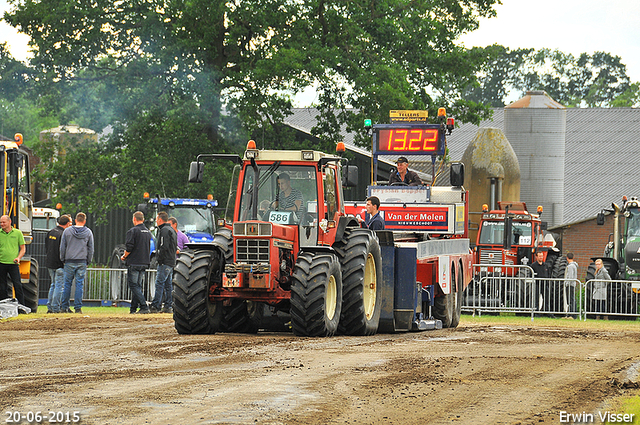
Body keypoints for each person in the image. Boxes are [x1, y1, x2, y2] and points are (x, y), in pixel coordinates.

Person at [60, 212, 94, 314]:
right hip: (82, 261)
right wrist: (88, 260)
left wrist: (63, 259)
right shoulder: (88, 232)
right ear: (84, 221)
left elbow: (62, 247)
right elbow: (91, 248)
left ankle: (64, 307)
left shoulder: (67, 231)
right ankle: (78, 308)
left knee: (67, 284)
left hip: (69, 261)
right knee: (79, 284)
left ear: (75, 220)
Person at [121, 211, 152, 314]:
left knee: (134, 286)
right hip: (144, 262)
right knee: (137, 286)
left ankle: (144, 306)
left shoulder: (133, 231)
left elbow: (129, 247)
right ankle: (133, 309)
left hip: (134, 262)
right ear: (142, 219)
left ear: (134, 219)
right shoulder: (148, 232)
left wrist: (124, 256)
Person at [150, 211, 177, 313]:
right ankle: (168, 305)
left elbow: (163, 246)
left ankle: (156, 305)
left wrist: (159, 259)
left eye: (157, 219)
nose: (156, 221)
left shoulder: (164, 230)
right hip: (171, 261)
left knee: (159, 283)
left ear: (160, 220)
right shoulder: (171, 230)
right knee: (168, 285)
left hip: (165, 261)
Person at [45, 215, 72, 313]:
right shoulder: (63, 234)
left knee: (53, 285)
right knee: (59, 286)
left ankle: (50, 307)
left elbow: (47, 247)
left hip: (50, 263)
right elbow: (63, 250)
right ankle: (56, 308)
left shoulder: (51, 232)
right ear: (67, 223)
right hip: (59, 264)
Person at [0, 215, 26, 307]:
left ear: (9, 222)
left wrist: (18, 258)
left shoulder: (17, 233)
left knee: (17, 285)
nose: (2, 224)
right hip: (1, 263)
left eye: (4, 222)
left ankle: (22, 306)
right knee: (2, 287)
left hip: (13, 264)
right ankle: (3, 307)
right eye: (1, 222)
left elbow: (23, 248)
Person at [530, 251, 552, 316]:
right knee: (536, 298)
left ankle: (546, 311)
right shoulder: (533, 266)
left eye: (542, 256)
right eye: (539, 256)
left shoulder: (546, 265)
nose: (541, 257)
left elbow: (549, 274)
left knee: (546, 298)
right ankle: (536, 312)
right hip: (537, 284)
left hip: (545, 284)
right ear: (536, 257)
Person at [563, 252, 578, 318]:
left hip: (570, 285)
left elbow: (570, 276)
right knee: (571, 299)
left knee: (570, 300)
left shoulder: (570, 266)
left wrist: (567, 283)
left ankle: (572, 314)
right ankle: (571, 313)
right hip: (572, 284)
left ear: (567, 258)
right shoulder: (574, 266)